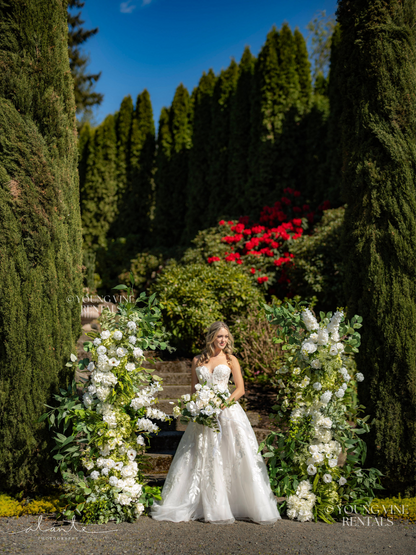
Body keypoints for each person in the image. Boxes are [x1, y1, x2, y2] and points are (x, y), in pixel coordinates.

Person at [150, 321, 281, 524]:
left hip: (227, 412)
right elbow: (194, 391)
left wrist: (222, 404)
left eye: (226, 337)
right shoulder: (197, 360)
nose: (223, 340)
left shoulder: (230, 360)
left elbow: (240, 389)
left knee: (231, 455)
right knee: (199, 455)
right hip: (203, 415)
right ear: (211, 337)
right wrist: (195, 408)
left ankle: (235, 503)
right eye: (220, 336)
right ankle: (201, 502)